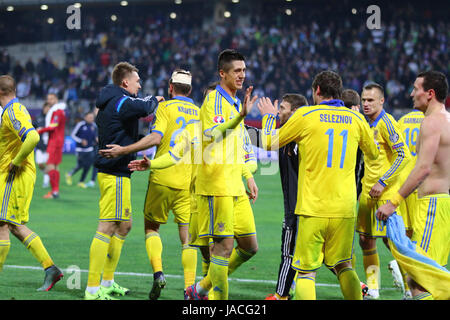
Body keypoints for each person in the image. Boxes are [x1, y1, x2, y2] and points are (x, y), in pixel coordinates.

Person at [257, 70, 379, 300]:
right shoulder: (356, 120)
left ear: (318, 91)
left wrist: (268, 116)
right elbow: (373, 154)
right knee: (344, 266)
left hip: (313, 208)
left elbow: (267, 142)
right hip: (344, 209)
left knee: (305, 272)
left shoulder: (307, 115)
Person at [100, 69, 201, 299]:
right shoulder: (200, 112)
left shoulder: (165, 108)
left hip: (163, 176)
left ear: (170, 87)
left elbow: (155, 138)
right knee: (188, 238)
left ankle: (158, 274)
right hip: (190, 183)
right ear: (191, 90)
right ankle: (188, 289)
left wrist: (125, 150)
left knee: (151, 228)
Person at [84, 61, 162, 300]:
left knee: (125, 226)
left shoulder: (111, 101)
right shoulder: (122, 100)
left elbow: (122, 128)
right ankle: (92, 288)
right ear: (125, 82)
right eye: (137, 81)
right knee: (107, 226)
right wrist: (157, 99)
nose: (139, 85)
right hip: (114, 173)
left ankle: (107, 281)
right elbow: (146, 106)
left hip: (118, 172)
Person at [187, 49, 258, 300]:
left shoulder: (235, 101)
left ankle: (200, 289)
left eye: (244, 70)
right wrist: (240, 117)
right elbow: (214, 134)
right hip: (217, 186)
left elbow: (235, 148)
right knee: (223, 248)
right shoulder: (215, 100)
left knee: (249, 247)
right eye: (236, 71)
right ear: (222, 73)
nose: (242, 75)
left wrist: (248, 175)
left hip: (235, 186)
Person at [376, 71, 450, 300]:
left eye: (415, 89)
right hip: (441, 204)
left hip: (431, 208)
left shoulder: (431, 123)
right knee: (429, 277)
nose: (411, 94)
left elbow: (423, 168)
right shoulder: (447, 120)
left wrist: (393, 202)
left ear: (430, 93)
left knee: (419, 283)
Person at [0, 75, 63, 291]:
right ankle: (50, 268)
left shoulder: (13, 111)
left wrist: (15, 162)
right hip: (12, 175)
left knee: (2, 225)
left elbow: (33, 137)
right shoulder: (13, 110)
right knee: (15, 227)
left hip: (13, 176)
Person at [355, 83, 412, 299]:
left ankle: (410, 289)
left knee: (393, 241)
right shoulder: (365, 123)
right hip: (367, 192)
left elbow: (403, 155)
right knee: (366, 240)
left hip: (385, 193)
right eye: (364, 100)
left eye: (371, 100)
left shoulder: (387, 123)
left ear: (381, 101)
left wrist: (382, 181)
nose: (366, 103)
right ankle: (374, 289)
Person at [261, 93, 308, 301]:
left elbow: (267, 142)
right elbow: (261, 137)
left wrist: (269, 118)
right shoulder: (296, 135)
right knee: (327, 255)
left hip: (297, 207)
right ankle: (359, 285)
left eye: (282, 108)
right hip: (312, 205)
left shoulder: (296, 138)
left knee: (288, 251)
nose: (278, 112)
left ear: (295, 112)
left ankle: (281, 295)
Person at [37, 93, 67, 199]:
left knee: (50, 166)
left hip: (54, 142)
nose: (49, 100)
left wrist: (40, 130)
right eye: (48, 98)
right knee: (54, 166)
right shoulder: (58, 111)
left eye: (52, 98)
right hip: (57, 141)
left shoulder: (57, 111)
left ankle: (54, 191)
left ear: (56, 99)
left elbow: (53, 127)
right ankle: (55, 191)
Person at [66, 111, 98, 188]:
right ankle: (69, 174)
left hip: (90, 149)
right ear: (85, 117)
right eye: (90, 117)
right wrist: (81, 140)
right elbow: (73, 135)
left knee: (88, 165)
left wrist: (96, 140)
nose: (91, 119)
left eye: (92, 118)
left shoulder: (94, 126)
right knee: (81, 165)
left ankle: (81, 181)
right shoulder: (80, 124)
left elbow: (95, 136)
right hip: (80, 149)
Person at [32, 102, 51, 188]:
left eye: (48, 108)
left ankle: (46, 181)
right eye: (46, 108)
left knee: (48, 163)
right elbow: (32, 128)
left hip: (49, 145)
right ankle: (47, 174)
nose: (47, 110)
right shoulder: (38, 118)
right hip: (39, 145)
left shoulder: (52, 118)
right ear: (43, 108)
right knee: (39, 164)